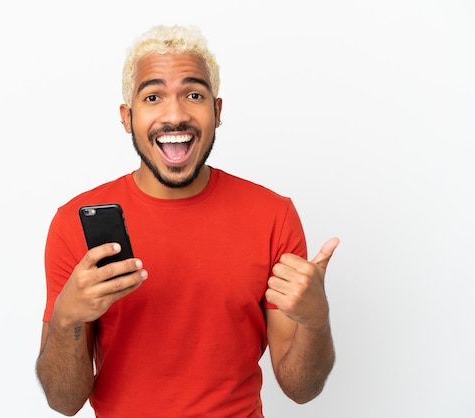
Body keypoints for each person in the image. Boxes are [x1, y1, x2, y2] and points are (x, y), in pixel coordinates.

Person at [36, 24, 339, 418]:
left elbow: (301, 388)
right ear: (128, 117)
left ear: (217, 111)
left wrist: (316, 320)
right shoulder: (72, 224)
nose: (175, 114)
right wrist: (67, 319)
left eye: (194, 95)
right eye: (153, 96)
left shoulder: (273, 215)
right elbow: (64, 401)